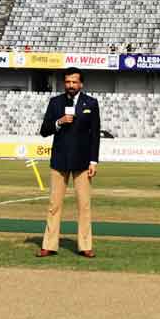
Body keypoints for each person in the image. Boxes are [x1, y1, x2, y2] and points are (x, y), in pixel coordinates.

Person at [37, 67, 101, 259]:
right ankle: (49, 244)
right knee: (54, 205)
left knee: (84, 205)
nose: (71, 85)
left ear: (81, 83)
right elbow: (44, 130)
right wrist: (59, 121)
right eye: (68, 82)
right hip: (59, 160)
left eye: (74, 82)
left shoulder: (91, 103)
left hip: (82, 162)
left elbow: (95, 135)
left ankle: (85, 245)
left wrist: (93, 161)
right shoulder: (55, 102)